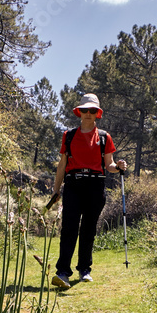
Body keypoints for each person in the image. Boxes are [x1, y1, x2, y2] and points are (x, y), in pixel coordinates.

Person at [49, 92, 127, 289]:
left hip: (95, 185)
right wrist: (56, 190)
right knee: (69, 228)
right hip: (73, 185)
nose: (88, 113)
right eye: (85, 110)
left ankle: (85, 269)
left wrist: (118, 167)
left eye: (92, 110)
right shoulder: (68, 136)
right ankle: (63, 272)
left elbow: (108, 164)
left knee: (88, 230)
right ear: (79, 112)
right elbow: (62, 165)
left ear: (97, 113)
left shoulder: (103, 137)